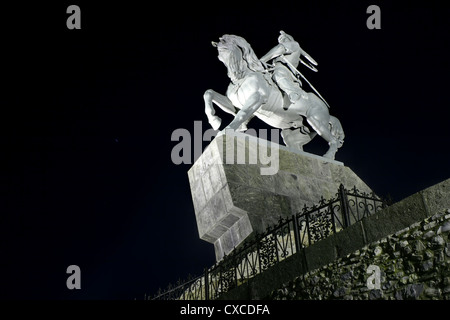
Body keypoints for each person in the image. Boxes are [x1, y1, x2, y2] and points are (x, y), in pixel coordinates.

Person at [260, 31, 317, 105]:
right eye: (280, 40)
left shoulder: (294, 44)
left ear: (289, 39)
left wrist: (261, 60)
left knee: (278, 74)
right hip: (275, 68)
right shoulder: (290, 48)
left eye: (283, 38)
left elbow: (280, 48)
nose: (281, 41)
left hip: (285, 70)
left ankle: (293, 93)